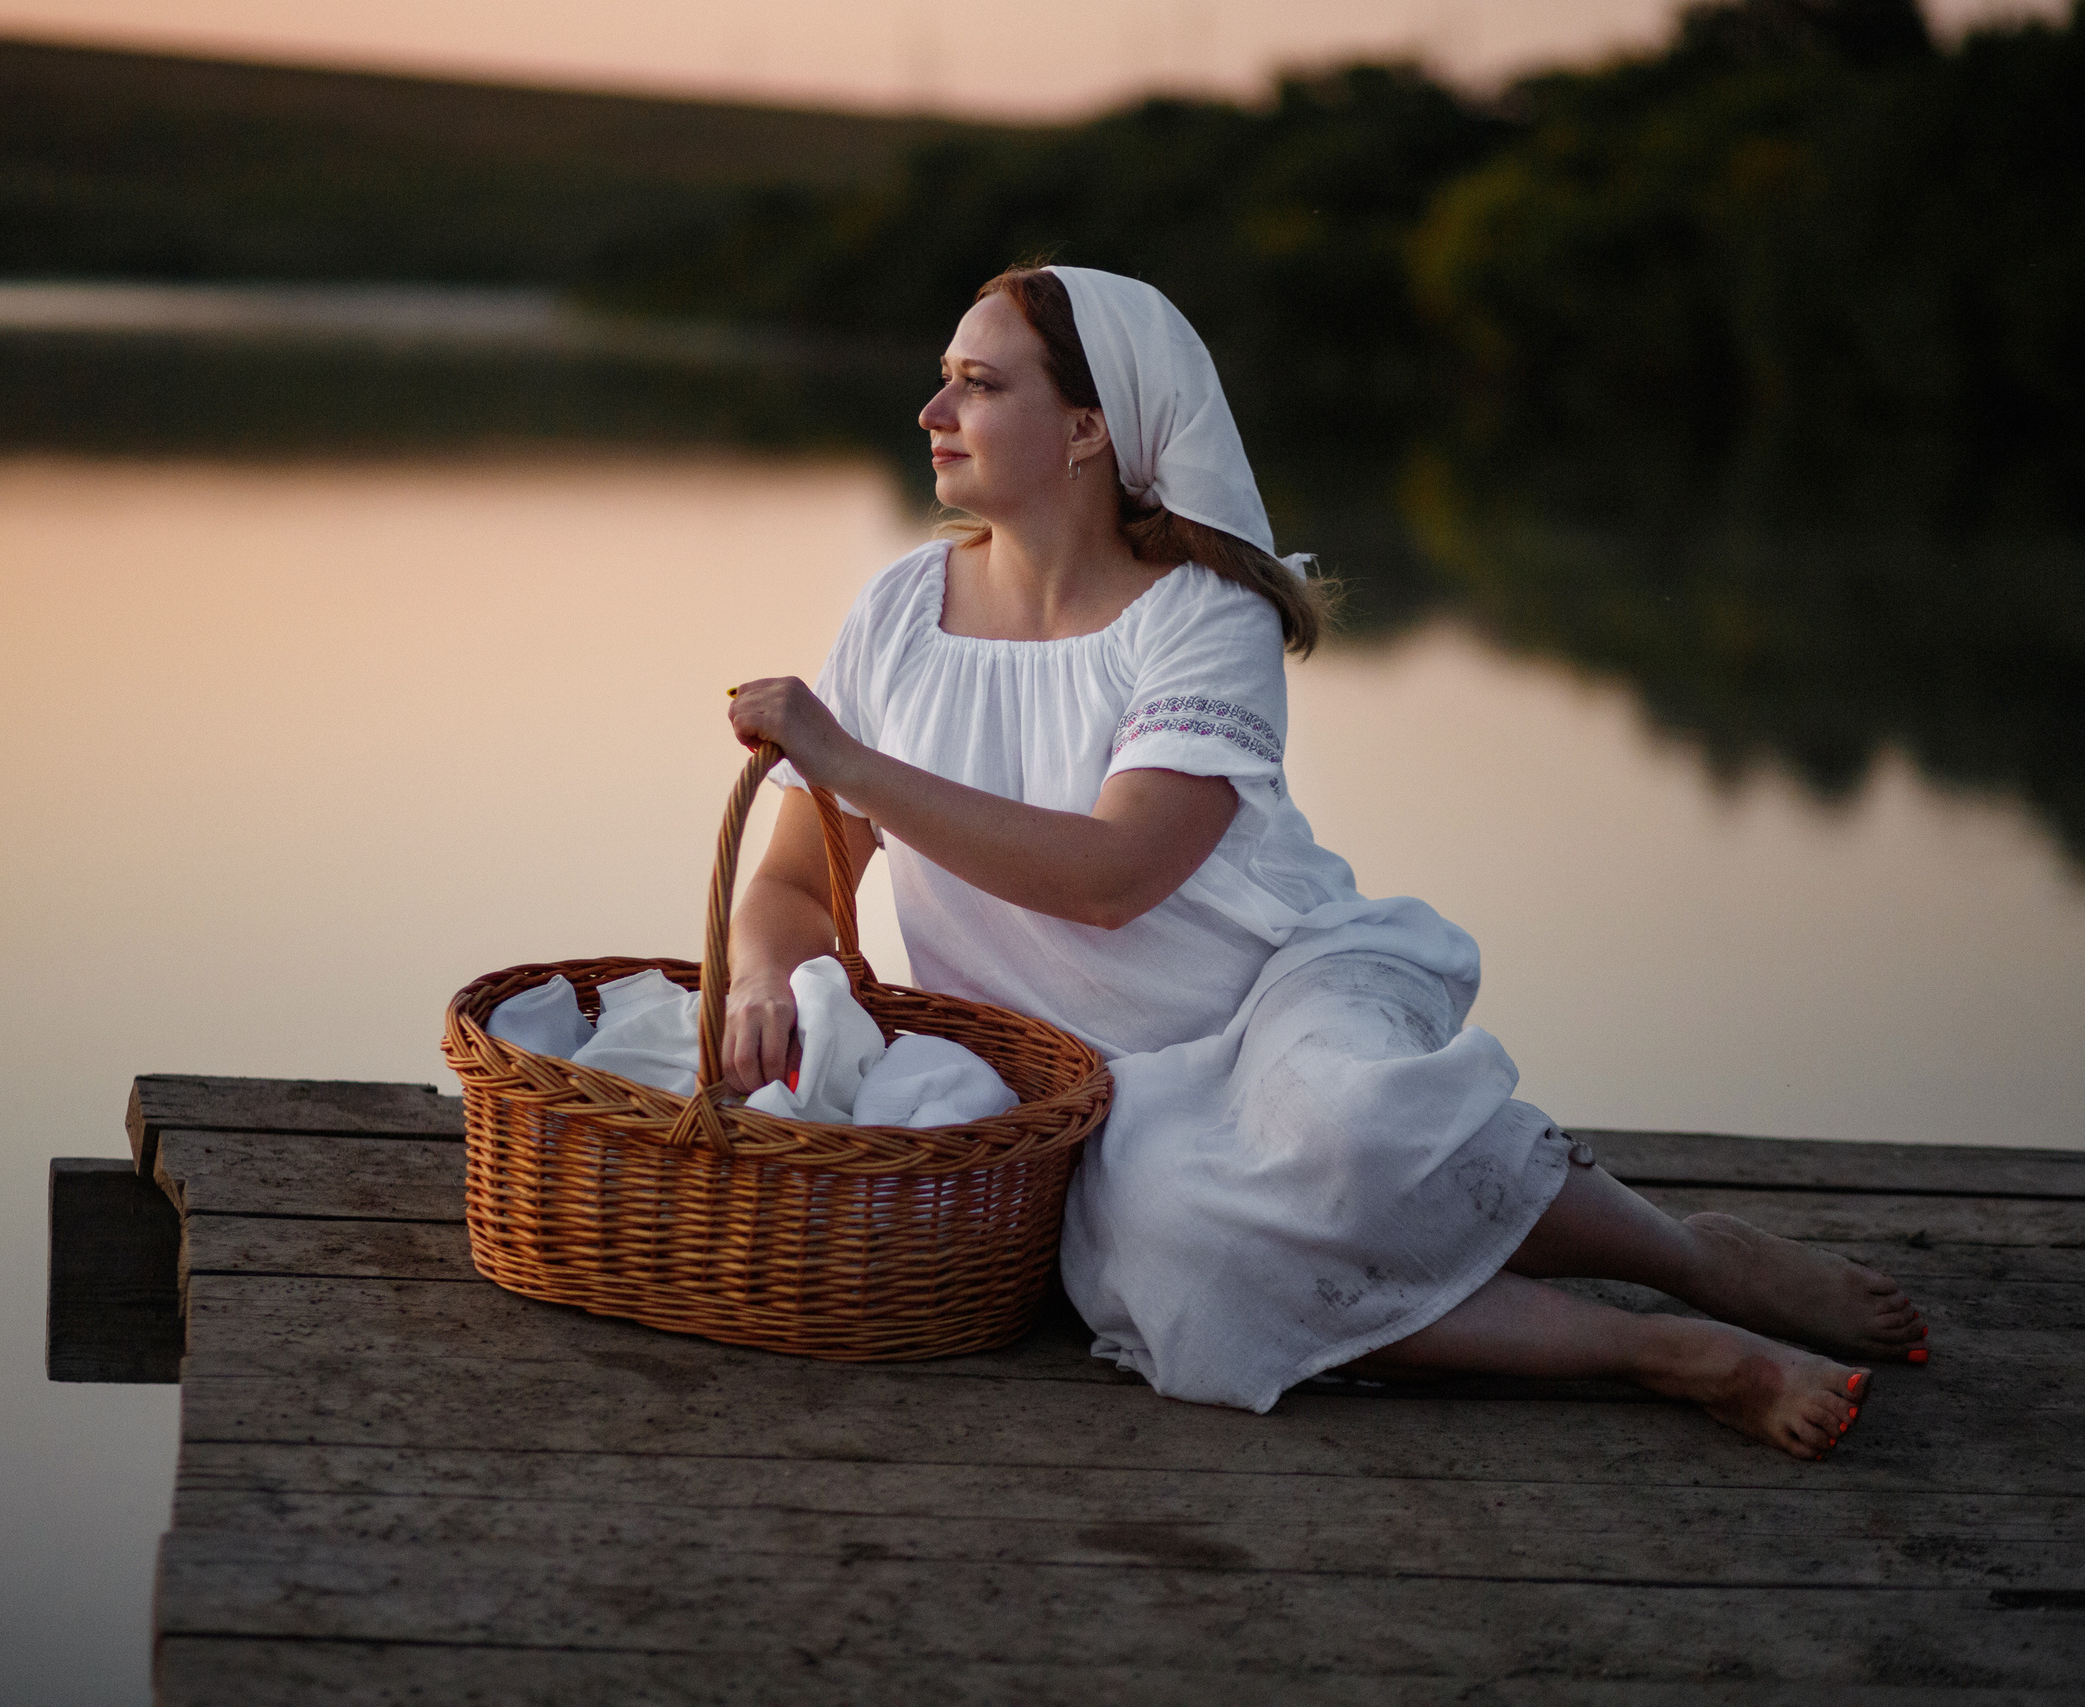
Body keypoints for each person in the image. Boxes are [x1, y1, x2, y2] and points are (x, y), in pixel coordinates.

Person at [721, 264, 1927, 1458]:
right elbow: (790, 883)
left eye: (979, 385)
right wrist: (771, 974)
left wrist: (852, 763)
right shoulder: (899, 611)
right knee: (1188, 1262)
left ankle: (1688, 1258)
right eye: (944, 379)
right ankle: (1661, 1352)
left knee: (1346, 1125)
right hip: (1091, 1085)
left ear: (1088, 428)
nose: (932, 411)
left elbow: (1114, 878)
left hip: (1278, 992)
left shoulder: (1201, 614)